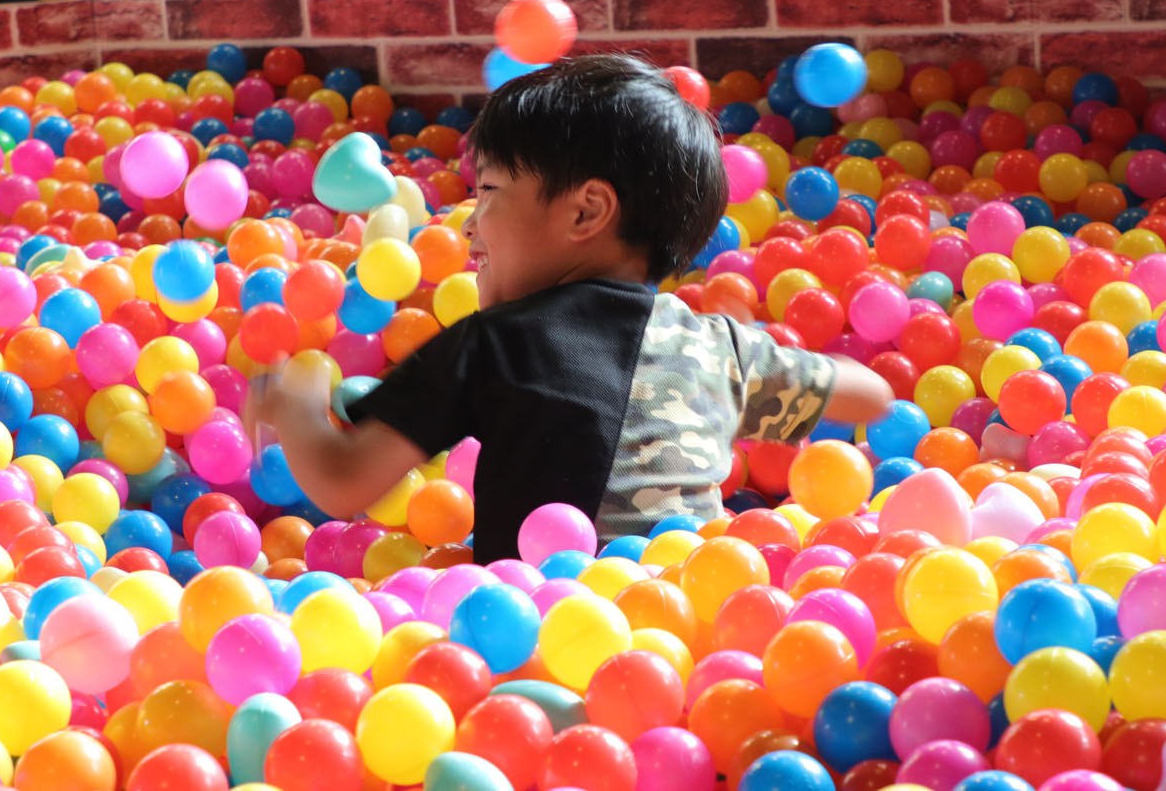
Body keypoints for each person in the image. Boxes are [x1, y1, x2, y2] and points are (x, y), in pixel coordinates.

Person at [244, 53, 893, 563]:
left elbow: (343, 480)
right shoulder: (716, 346)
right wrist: (746, 370)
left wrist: (297, 409)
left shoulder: (492, 343)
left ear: (586, 210)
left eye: (490, 190)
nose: (470, 222)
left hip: (545, 635)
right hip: (688, 627)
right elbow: (871, 396)